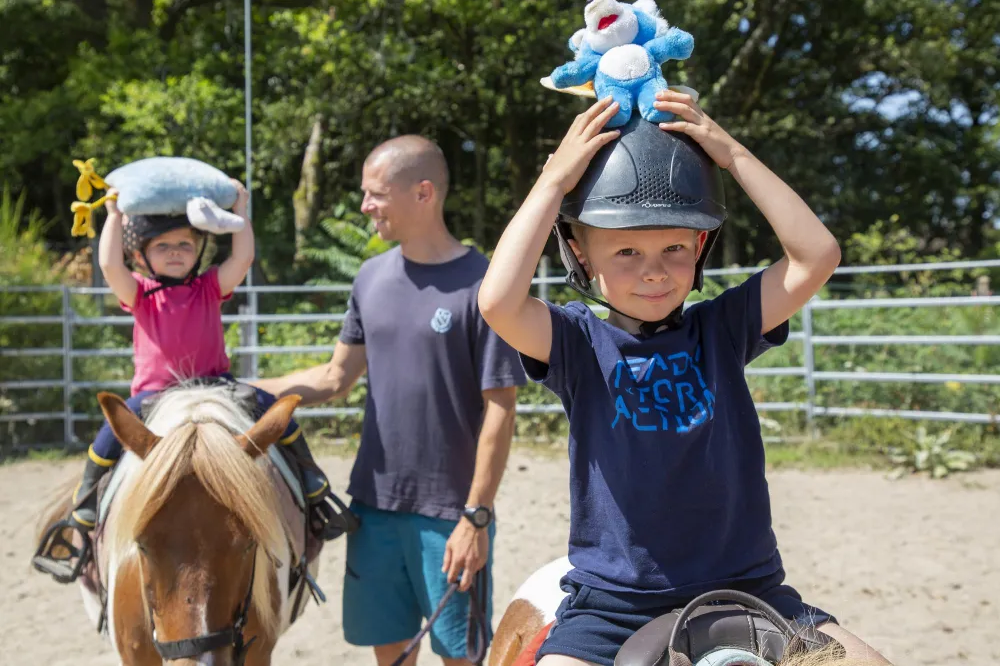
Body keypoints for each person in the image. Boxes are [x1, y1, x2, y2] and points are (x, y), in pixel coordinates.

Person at [477, 93, 891, 666]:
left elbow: (816, 254)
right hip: (614, 605)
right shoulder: (577, 343)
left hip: (749, 591)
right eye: (625, 250)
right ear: (579, 251)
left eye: (674, 247)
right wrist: (552, 185)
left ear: (700, 247)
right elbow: (498, 301)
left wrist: (733, 155)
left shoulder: (722, 327)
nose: (653, 269)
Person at [253, 135, 526, 665]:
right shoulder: (370, 278)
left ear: (423, 193)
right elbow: (336, 377)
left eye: (375, 193)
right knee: (391, 658)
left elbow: (501, 407)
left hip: (450, 516)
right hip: (372, 508)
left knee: (460, 656)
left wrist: (476, 517)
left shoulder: (484, 285)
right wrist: (250, 390)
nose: (365, 206)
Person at [36, 178, 339, 578]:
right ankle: (86, 504)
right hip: (155, 395)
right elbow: (110, 264)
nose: (176, 252)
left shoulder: (209, 286)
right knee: (111, 432)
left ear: (198, 250)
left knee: (273, 411)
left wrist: (241, 213)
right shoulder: (140, 293)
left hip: (216, 385)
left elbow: (243, 258)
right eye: (163, 246)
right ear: (142, 255)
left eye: (184, 245)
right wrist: (112, 216)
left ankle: (312, 483)